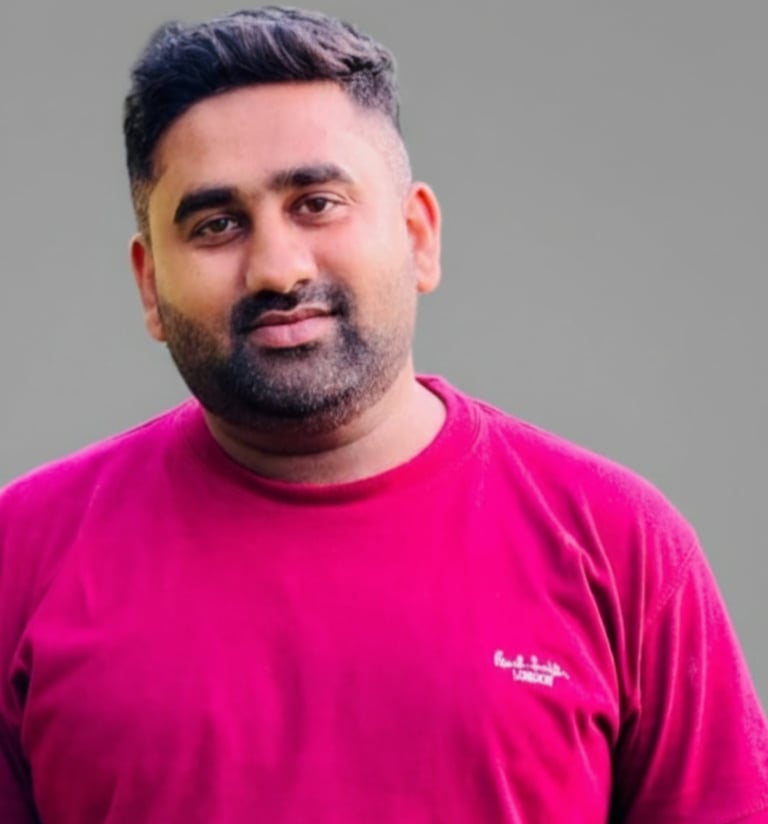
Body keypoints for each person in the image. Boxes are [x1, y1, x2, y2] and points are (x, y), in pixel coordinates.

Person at [1, 6, 766, 823]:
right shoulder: (23, 554)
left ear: (417, 235)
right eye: (217, 225)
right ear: (150, 284)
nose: (277, 269)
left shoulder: (619, 545)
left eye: (317, 203)